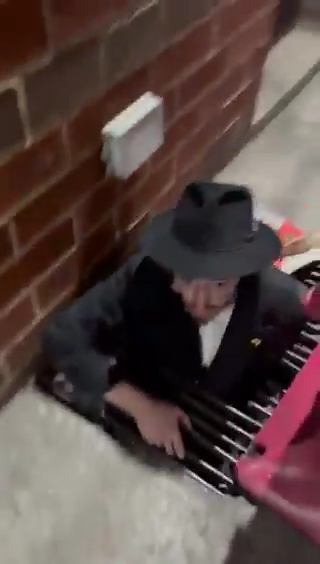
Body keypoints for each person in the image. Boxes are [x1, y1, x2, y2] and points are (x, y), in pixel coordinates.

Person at [42, 183, 309, 460]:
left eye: (219, 282)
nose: (198, 300)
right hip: (159, 377)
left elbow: (273, 363)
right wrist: (140, 405)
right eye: (186, 275)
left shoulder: (281, 305)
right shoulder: (144, 277)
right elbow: (62, 335)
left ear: (245, 271)